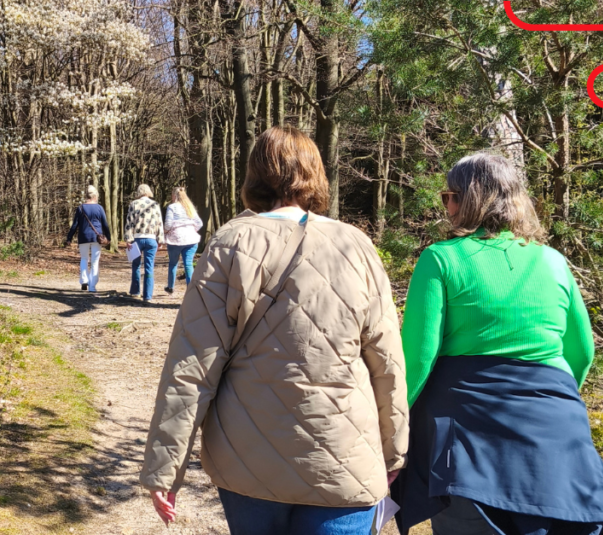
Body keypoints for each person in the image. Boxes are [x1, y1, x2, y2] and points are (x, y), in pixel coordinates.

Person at [140, 126, 409, 535]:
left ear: (256, 175)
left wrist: (165, 469)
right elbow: (387, 365)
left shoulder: (231, 243)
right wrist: (394, 454)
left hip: (249, 461)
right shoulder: (358, 246)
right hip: (344, 459)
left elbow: (191, 365)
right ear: (316, 174)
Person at [393, 153, 603, 535]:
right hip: (556, 431)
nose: (447, 207)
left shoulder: (441, 259)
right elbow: (581, 352)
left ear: (468, 198)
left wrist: (392, 422)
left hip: (469, 437)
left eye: (449, 196)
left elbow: (418, 359)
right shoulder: (553, 261)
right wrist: (545, 397)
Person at [64, 185, 110, 293]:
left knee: (84, 259)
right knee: (95, 261)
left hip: (83, 236)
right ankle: (92, 286)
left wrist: (69, 238)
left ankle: (84, 281)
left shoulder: (80, 208)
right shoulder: (99, 208)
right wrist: (108, 238)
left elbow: (75, 225)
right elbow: (105, 224)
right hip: (96, 237)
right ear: (95, 196)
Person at [124, 184, 164, 302]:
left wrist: (128, 238)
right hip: (151, 239)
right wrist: (160, 239)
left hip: (137, 238)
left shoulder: (134, 204)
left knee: (136, 265)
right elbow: (159, 222)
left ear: (139, 192)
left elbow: (129, 222)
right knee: (149, 266)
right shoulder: (155, 205)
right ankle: (147, 295)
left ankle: (135, 291)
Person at [163, 187, 203, 295]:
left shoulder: (172, 207)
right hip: (191, 239)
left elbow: (168, 224)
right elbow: (199, 223)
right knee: (188, 264)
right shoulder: (190, 208)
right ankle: (191, 290)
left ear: (174, 196)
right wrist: (191, 230)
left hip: (175, 239)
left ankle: (170, 287)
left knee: (173, 263)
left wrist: (165, 232)